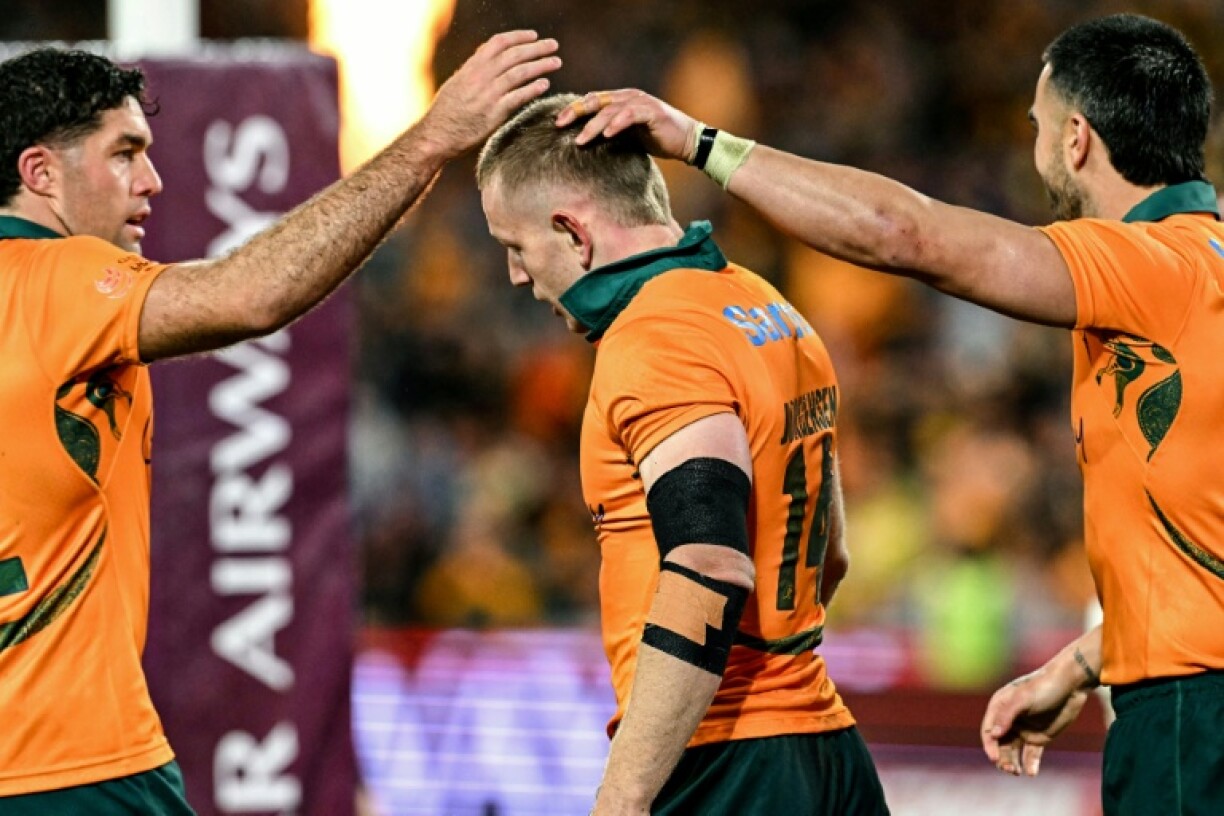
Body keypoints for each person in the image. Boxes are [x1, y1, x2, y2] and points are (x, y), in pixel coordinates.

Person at [558, 12, 1224, 815]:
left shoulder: (1152, 267)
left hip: (1194, 718)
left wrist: (702, 143)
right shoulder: (1201, 275)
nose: (1034, 145)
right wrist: (1086, 663)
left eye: (1037, 126)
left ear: (1076, 139)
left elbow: (904, 234)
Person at [0, 33, 559, 812]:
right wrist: (433, 139)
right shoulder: (48, 280)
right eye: (124, 153)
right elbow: (250, 295)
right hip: (73, 766)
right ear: (40, 174)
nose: (153, 181)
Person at [477, 93, 889, 815]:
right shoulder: (767, 306)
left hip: (723, 760)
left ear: (573, 232)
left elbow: (709, 562)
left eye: (517, 247)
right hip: (828, 749)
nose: (516, 276)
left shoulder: (655, 338)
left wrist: (624, 794)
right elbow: (832, 558)